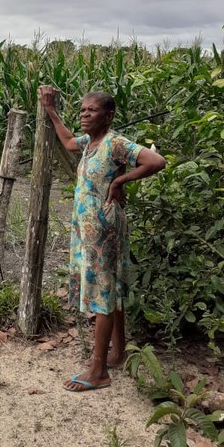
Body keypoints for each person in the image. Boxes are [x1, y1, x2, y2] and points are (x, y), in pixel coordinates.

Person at [37, 85, 165, 392]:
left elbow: (156, 162)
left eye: (91, 110)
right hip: (89, 226)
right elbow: (67, 141)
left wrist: (120, 180)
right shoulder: (89, 142)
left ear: (108, 116)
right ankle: (117, 352)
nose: (84, 114)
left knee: (103, 291)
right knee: (110, 288)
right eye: (82, 110)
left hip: (104, 226)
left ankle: (98, 371)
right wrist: (50, 109)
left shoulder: (115, 143)